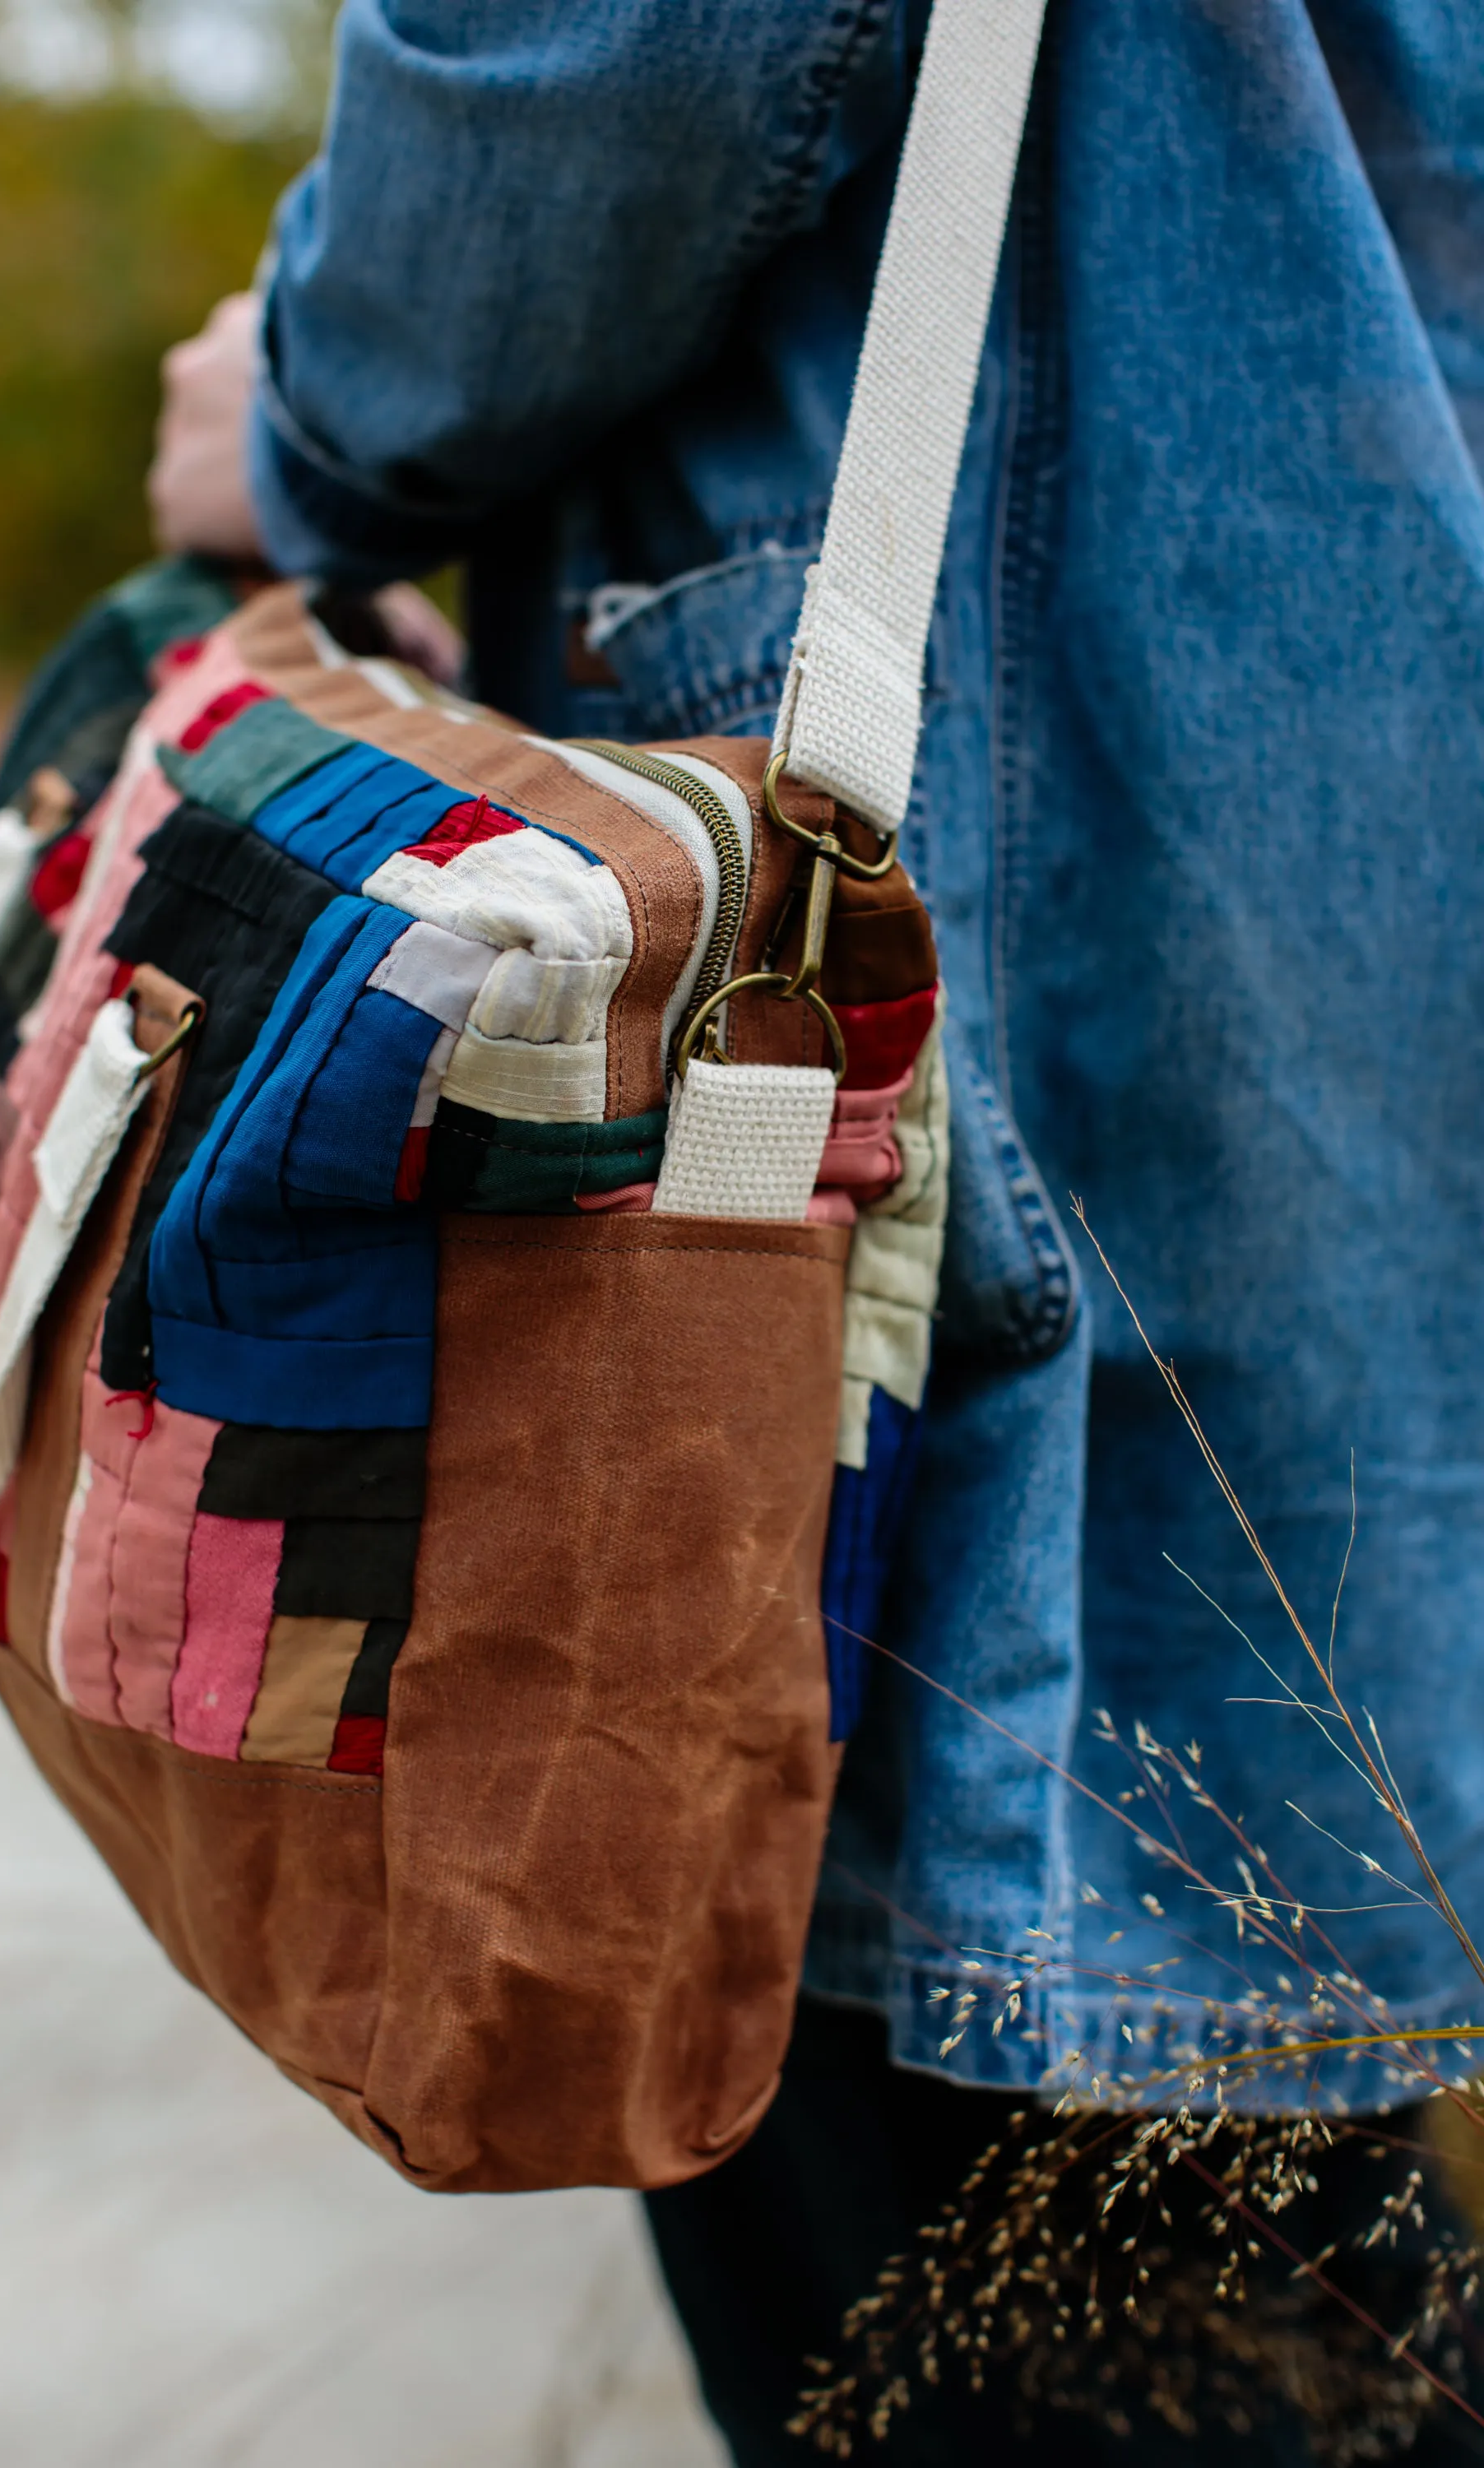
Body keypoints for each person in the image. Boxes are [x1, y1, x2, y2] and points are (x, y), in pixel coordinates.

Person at [150, 3, 1484, 2457]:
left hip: (991, 862)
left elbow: (600, 65)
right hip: (1349, 855)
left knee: (1035, 2158)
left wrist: (314, 407)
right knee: (1264, 2083)